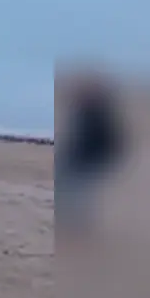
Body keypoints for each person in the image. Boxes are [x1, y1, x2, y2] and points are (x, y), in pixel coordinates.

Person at [55, 72, 124, 238]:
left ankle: (80, 231)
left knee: (80, 196)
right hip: (78, 160)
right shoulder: (85, 113)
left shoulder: (99, 116)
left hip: (87, 162)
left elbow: (108, 143)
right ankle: (74, 228)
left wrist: (95, 161)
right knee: (72, 194)